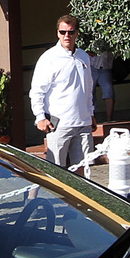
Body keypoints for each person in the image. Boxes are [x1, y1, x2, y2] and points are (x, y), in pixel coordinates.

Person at [30, 15, 96, 168]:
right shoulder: (49, 58)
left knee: (84, 172)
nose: (67, 36)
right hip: (59, 125)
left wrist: (91, 113)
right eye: (63, 32)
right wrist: (40, 117)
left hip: (83, 124)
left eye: (71, 32)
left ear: (77, 33)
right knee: (57, 172)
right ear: (57, 33)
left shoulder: (84, 57)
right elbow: (37, 90)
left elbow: (88, 88)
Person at [90, 42, 117, 125]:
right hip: (92, 65)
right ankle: (91, 118)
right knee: (90, 92)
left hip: (106, 66)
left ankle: (109, 119)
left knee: (108, 90)